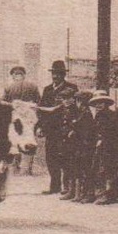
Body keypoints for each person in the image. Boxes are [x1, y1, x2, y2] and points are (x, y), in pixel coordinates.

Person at [39, 60, 78, 196]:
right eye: (54, 74)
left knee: (65, 157)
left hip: (64, 129)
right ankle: (54, 186)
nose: (55, 76)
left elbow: (74, 109)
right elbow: (41, 109)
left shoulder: (72, 89)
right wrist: (40, 127)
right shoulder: (47, 89)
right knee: (51, 158)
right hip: (50, 130)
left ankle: (66, 187)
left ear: (63, 75)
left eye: (59, 74)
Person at [2, 66, 41, 175]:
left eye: (16, 75)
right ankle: (28, 168)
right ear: (24, 75)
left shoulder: (9, 87)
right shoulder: (32, 86)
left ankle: (16, 166)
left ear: (14, 76)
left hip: (16, 119)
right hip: (29, 118)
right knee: (30, 139)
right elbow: (38, 101)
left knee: (16, 140)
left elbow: (4, 103)